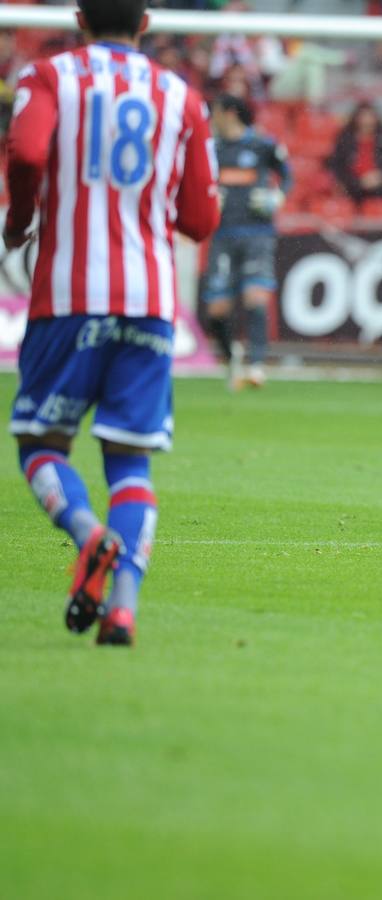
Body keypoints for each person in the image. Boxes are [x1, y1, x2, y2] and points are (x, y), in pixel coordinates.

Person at [5, 0, 220, 645]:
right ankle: (122, 608)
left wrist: (19, 223)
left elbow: (26, 152)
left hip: (69, 296)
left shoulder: (50, 76)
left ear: (80, 18)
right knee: (130, 461)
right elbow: (201, 221)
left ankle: (86, 532)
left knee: (41, 443)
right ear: (145, 23)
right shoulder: (181, 96)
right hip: (150, 300)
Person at [202, 92, 290, 390]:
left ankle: (256, 366)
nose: (212, 117)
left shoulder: (262, 145)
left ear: (229, 113)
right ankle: (232, 358)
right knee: (217, 311)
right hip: (223, 235)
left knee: (255, 298)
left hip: (257, 234)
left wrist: (278, 197)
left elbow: (287, 175)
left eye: (215, 111)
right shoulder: (212, 149)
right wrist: (208, 199)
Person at [327, 101, 382, 204]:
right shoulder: (344, 138)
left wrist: (379, 176)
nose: (366, 120)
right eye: (363, 116)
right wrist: (356, 181)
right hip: (351, 184)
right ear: (356, 118)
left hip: (378, 185)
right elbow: (336, 164)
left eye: (370, 116)